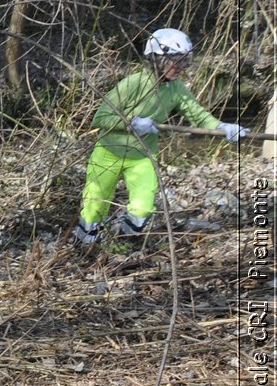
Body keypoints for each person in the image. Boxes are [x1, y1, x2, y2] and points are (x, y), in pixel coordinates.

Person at [74, 27, 249, 252]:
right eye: (175, 60)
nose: (180, 67)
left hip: (143, 157)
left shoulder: (176, 89)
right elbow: (101, 117)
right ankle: (83, 249)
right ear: (156, 58)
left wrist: (222, 127)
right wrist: (132, 123)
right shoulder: (133, 83)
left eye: (185, 62)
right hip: (108, 153)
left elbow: (196, 113)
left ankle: (122, 249)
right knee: (95, 204)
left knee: (143, 206)